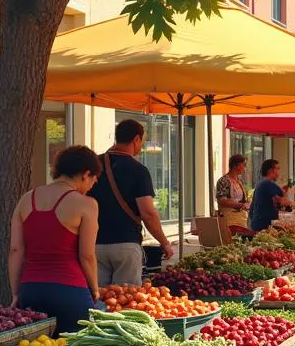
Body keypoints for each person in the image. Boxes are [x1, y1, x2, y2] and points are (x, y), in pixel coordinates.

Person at [9, 146, 102, 333]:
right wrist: (95, 289)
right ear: (85, 174)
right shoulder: (86, 204)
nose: (93, 184)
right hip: (70, 291)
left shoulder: (26, 199)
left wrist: (16, 293)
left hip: (31, 289)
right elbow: (87, 255)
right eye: (94, 179)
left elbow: (15, 250)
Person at [90, 118, 173, 284]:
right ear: (136, 139)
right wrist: (164, 242)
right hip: (126, 243)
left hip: (93, 243)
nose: (141, 146)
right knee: (125, 301)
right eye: (142, 141)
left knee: (100, 300)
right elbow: (148, 213)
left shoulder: (93, 165)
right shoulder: (138, 170)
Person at [248, 159, 290, 232]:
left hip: (257, 223)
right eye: (277, 169)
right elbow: (284, 202)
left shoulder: (260, 184)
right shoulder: (268, 184)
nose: (278, 172)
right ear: (270, 170)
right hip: (264, 226)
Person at [215, 154, 250, 227]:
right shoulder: (224, 181)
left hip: (241, 219)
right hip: (229, 220)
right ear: (235, 165)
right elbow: (222, 201)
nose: (245, 168)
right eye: (243, 165)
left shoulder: (239, 181)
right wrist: (242, 205)